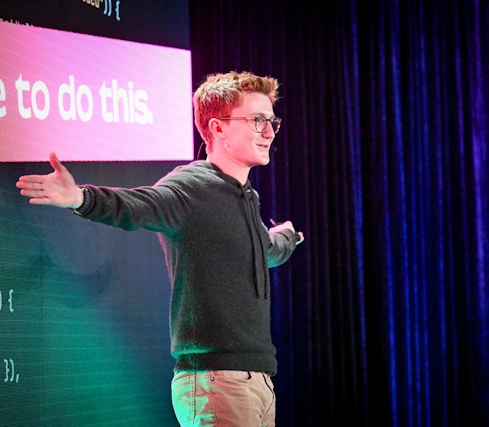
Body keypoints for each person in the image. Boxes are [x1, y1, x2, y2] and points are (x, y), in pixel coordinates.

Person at [16, 71, 303, 427]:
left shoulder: (245, 197)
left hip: (255, 381)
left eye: (271, 120)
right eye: (257, 120)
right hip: (216, 382)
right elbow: (139, 204)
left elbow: (265, 250)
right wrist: (80, 197)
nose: (270, 132)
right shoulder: (192, 187)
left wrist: (289, 236)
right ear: (218, 129)